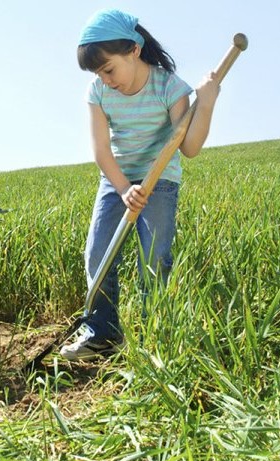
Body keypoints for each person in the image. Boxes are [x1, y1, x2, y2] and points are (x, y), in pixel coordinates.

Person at [60, 9, 220, 360]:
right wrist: (122, 189)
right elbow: (102, 151)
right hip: (116, 179)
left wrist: (205, 104)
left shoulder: (169, 88)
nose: (105, 79)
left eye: (108, 69)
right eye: (98, 73)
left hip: (160, 180)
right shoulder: (98, 92)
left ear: (133, 50)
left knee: (154, 258)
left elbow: (189, 148)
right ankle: (102, 333)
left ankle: (154, 337)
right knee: (98, 255)